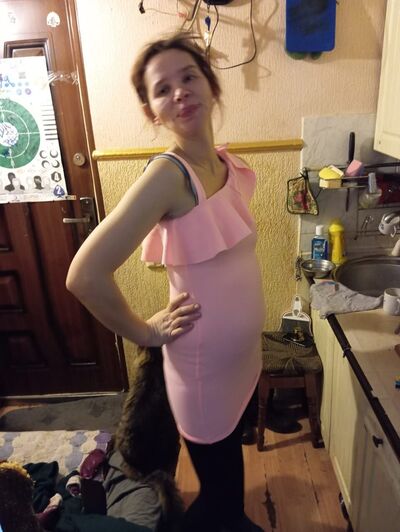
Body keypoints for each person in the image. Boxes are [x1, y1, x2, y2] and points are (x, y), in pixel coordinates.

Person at [66, 33, 265, 532]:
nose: (180, 92)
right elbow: (84, 274)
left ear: (211, 85)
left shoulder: (223, 163)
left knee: (228, 489)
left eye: (189, 76)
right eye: (162, 88)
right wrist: (144, 332)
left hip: (241, 363)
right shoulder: (168, 176)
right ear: (152, 111)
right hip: (203, 374)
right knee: (218, 498)